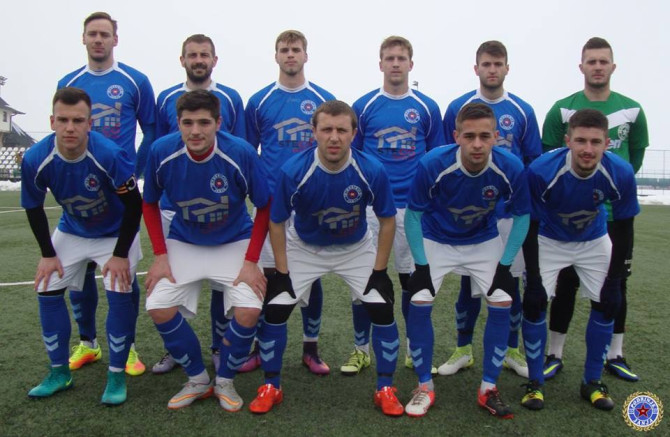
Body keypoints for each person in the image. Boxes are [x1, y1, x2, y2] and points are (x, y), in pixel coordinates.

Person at [249, 100, 403, 416]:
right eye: (327, 129)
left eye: (342, 130)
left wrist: (379, 271)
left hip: (355, 248)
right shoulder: (294, 170)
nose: (334, 137)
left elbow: (387, 220)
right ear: (314, 132)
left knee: (382, 307)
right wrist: (282, 272)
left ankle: (385, 388)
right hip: (305, 247)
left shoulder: (371, 169)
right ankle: (271, 386)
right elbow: (276, 221)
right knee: (276, 308)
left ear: (354, 134)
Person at [142, 90, 270, 411]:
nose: (195, 131)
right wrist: (160, 256)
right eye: (188, 123)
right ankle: (198, 379)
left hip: (234, 240)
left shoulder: (239, 152)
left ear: (218, 123)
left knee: (249, 309)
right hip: (184, 240)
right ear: (178, 123)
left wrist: (251, 261)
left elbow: (265, 205)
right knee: (158, 305)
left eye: (204, 123)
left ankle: (225, 380)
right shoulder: (161, 151)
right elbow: (149, 203)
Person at [404, 102, 530, 418]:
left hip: (482, 240)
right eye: (469, 136)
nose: (477, 144)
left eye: (485, 136)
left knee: (502, 300)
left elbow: (522, 217)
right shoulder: (433, 163)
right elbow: (413, 216)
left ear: (496, 137)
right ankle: (424, 386)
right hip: (436, 238)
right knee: (419, 300)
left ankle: (488, 388)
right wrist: (421, 266)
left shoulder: (510, 166)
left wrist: (505, 266)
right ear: (456, 136)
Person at [21, 87, 143, 405]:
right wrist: (48, 255)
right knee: (47, 285)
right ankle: (59, 373)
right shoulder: (35, 158)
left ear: (90, 123)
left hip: (115, 232)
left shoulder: (109, 155)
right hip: (73, 229)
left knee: (118, 287)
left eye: (78, 120)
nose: (70, 128)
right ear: (52, 122)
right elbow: (33, 207)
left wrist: (119, 255)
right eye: (63, 120)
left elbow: (134, 206)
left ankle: (116, 375)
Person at [541, 37, 649, 382]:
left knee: (616, 285)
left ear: (613, 66)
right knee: (565, 283)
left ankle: (615, 354)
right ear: (582, 67)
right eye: (592, 61)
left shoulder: (632, 109)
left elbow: (634, 158)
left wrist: (609, 188)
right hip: (569, 217)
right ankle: (554, 353)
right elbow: (548, 157)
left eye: (604, 61)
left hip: (615, 216)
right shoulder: (562, 109)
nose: (598, 67)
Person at [57, 11, 156, 376]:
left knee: (124, 272)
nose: (98, 40)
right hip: (80, 191)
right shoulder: (68, 82)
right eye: (92, 34)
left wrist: (134, 171)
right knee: (79, 270)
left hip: (119, 191)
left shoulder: (135, 81)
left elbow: (151, 130)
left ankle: (127, 346)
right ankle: (88, 342)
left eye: (104, 34)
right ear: (83, 38)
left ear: (115, 39)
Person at [520, 108, 639, 411]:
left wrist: (615, 279)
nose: (588, 149)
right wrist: (533, 278)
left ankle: (592, 381)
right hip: (549, 239)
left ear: (607, 143)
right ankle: (535, 383)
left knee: (608, 303)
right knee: (534, 303)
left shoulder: (620, 172)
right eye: (581, 141)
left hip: (593, 240)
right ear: (567, 141)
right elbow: (529, 225)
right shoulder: (541, 171)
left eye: (595, 142)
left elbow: (624, 227)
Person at [439, 41, 542, 378]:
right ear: (476, 68)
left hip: (509, 214)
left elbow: (532, 162)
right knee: (468, 285)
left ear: (507, 68)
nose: (492, 70)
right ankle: (463, 349)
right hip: (472, 213)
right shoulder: (458, 106)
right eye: (486, 64)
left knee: (510, 284)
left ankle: (511, 350)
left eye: (498, 64)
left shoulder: (523, 110)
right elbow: (446, 156)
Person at [345, 35, 445, 376]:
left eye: (401, 58)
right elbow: (355, 155)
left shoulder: (427, 107)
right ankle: (361, 350)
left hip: (412, 209)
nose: (396, 63)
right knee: (364, 279)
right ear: (381, 64)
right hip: (371, 208)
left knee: (411, 282)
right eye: (390, 58)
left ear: (411, 64)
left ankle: (413, 350)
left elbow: (435, 157)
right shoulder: (364, 106)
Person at [151, 34, 246, 375]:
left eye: (204, 54)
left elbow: (240, 145)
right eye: (192, 55)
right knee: (172, 282)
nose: (198, 60)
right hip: (173, 206)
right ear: (183, 60)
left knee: (222, 284)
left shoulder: (230, 98)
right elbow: (160, 146)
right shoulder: (166, 98)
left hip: (221, 204)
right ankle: (175, 351)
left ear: (214, 60)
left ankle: (219, 346)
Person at [243, 30, 336, 375]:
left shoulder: (323, 100)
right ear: (276, 56)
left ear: (305, 55)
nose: (290, 55)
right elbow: (248, 151)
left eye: (296, 49)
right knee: (268, 276)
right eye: (284, 49)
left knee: (313, 276)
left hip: (312, 203)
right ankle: (260, 346)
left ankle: (311, 348)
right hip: (271, 204)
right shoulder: (259, 101)